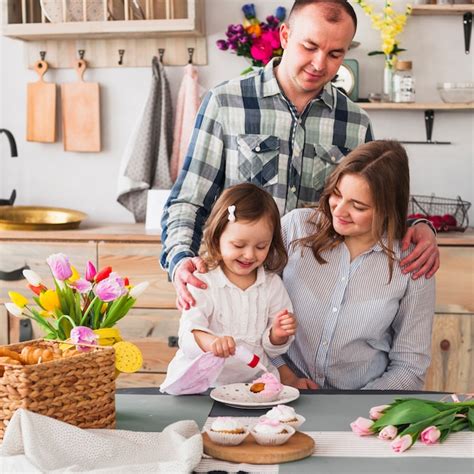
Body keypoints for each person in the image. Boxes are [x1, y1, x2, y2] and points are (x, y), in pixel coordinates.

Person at [160, 0, 439, 310]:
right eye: (309, 47)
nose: (320, 64)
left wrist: (423, 227)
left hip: (314, 302)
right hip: (234, 294)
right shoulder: (225, 103)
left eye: (335, 54)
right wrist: (180, 259)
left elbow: (377, 207)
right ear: (284, 36)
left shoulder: (355, 122)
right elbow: (190, 201)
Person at [276, 140, 436, 390]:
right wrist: (283, 375)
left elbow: (410, 366)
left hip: (364, 407)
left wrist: (357, 408)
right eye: (337, 194)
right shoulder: (295, 228)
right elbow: (247, 310)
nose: (339, 210)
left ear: (387, 209)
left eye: (358, 206)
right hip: (281, 393)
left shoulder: (412, 262)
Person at [162, 183, 297, 387]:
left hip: (254, 385)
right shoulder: (204, 281)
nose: (250, 255)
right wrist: (212, 343)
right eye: (239, 245)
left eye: (261, 246)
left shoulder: (272, 285)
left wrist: (277, 335)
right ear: (217, 238)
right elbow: (189, 333)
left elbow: (273, 350)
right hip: (203, 386)